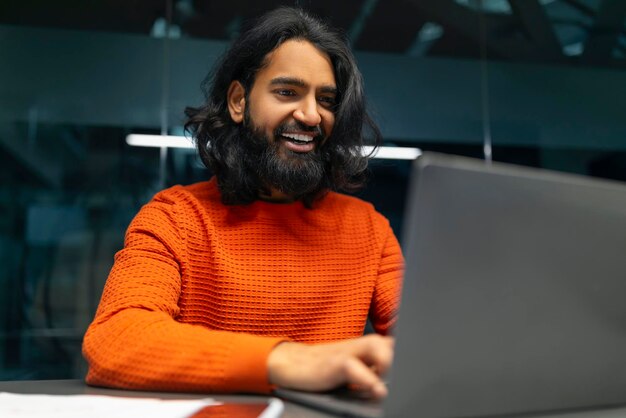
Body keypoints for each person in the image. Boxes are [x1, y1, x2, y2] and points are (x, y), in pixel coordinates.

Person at [82, 6, 403, 400]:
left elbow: (430, 344)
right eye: (287, 92)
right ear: (238, 101)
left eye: (327, 100)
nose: (310, 114)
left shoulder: (369, 229)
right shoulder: (174, 218)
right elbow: (115, 341)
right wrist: (290, 363)